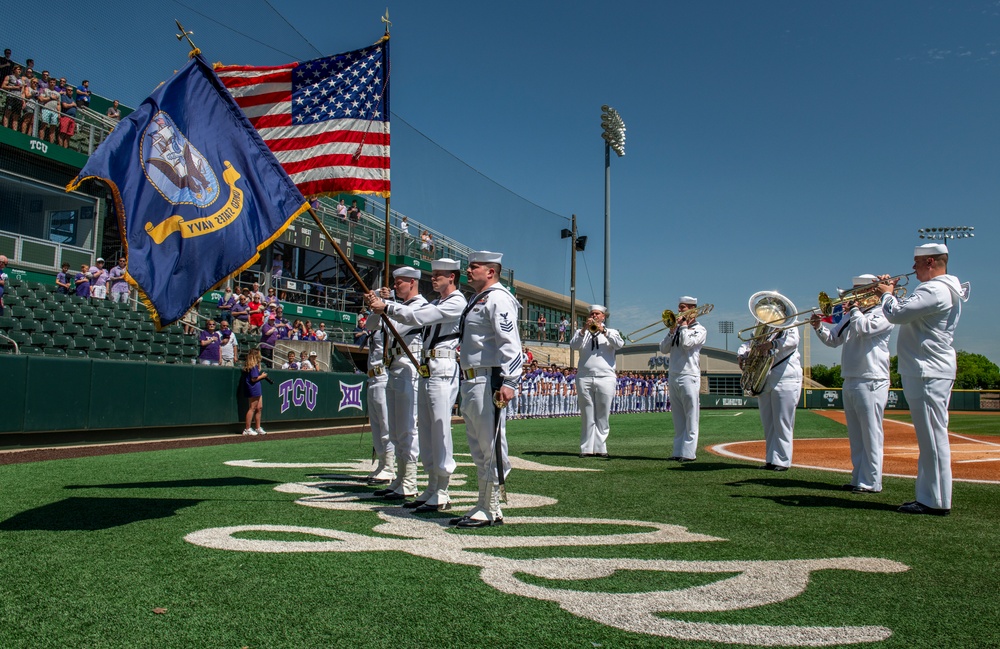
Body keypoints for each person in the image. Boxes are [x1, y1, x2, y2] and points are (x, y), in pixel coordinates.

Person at [367, 258, 468, 512]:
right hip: (427, 367)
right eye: (433, 274)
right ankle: (432, 485)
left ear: (452, 277)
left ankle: (442, 488)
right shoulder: (437, 302)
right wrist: (382, 306)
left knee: (439, 427)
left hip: (443, 367)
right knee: (426, 429)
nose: (433, 278)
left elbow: (418, 316)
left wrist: (386, 306)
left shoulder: (457, 301)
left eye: (439, 275)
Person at [876, 243, 970, 516]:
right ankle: (930, 496)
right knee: (930, 436)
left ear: (930, 262)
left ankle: (935, 500)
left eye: (916, 263)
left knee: (932, 437)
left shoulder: (936, 288)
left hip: (927, 370)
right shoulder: (943, 288)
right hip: (928, 369)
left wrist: (886, 294)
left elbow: (897, 314)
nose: (912, 269)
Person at [453, 251, 523, 528]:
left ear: (491, 272)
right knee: (477, 445)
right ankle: (483, 503)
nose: (468, 271)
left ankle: (491, 506)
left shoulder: (498, 299)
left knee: (490, 444)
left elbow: (510, 342)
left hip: (488, 379)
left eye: (474, 267)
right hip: (472, 379)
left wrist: (510, 381)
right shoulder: (478, 299)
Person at [810, 274, 894, 494]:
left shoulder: (883, 313)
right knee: (856, 435)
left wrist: (854, 310)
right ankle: (858, 477)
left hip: (872, 378)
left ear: (873, 291)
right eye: (854, 291)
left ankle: (872, 481)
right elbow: (833, 340)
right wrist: (819, 327)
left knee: (871, 433)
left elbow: (864, 329)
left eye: (861, 291)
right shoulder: (851, 316)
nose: (855, 296)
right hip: (851, 377)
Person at [366, 266, 426, 500]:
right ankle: (400, 478)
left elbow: (398, 327)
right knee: (395, 428)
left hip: (407, 367)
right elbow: (371, 325)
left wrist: (386, 305)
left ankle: (410, 480)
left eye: (399, 282)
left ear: (412, 282)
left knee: (407, 427)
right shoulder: (395, 306)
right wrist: (378, 303)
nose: (394, 286)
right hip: (393, 368)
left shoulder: (419, 306)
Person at [738, 316, 802, 471]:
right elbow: (750, 343)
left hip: (785, 376)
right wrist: (742, 353)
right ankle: (771, 458)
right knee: (768, 422)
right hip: (766, 377)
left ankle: (782, 460)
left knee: (782, 421)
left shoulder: (789, 325)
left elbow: (793, 341)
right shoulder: (763, 327)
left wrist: (772, 344)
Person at [570, 305, 624, 458]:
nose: (594, 315)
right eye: (592, 313)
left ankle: (600, 447)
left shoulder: (612, 332)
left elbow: (619, 345)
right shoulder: (582, 333)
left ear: (603, 316)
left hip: (605, 376)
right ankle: (586, 448)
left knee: (602, 414)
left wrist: (603, 331)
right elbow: (573, 345)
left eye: (597, 313)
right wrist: (582, 330)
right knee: (587, 413)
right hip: (584, 376)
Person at [659, 297, 708, 462]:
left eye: (683, 308)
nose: (679, 311)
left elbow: (687, 344)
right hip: (674, 374)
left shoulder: (700, 329)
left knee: (691, 416)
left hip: (689, 375)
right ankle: (677, 451)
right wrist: (672, 330)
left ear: (693, 310)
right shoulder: (677, 328)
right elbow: (663, 348)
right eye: (679, 308)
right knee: (678, 417)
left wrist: (684, 326)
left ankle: (689, 453)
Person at [242, 349, 268, 436]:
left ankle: (258, 427)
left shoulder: (255, 365)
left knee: (259, 407)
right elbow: (254, 379)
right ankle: (247, 429)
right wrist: (263, 376)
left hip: (257, 387)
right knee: (252, 407)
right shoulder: (252, 366)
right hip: (253, 387)